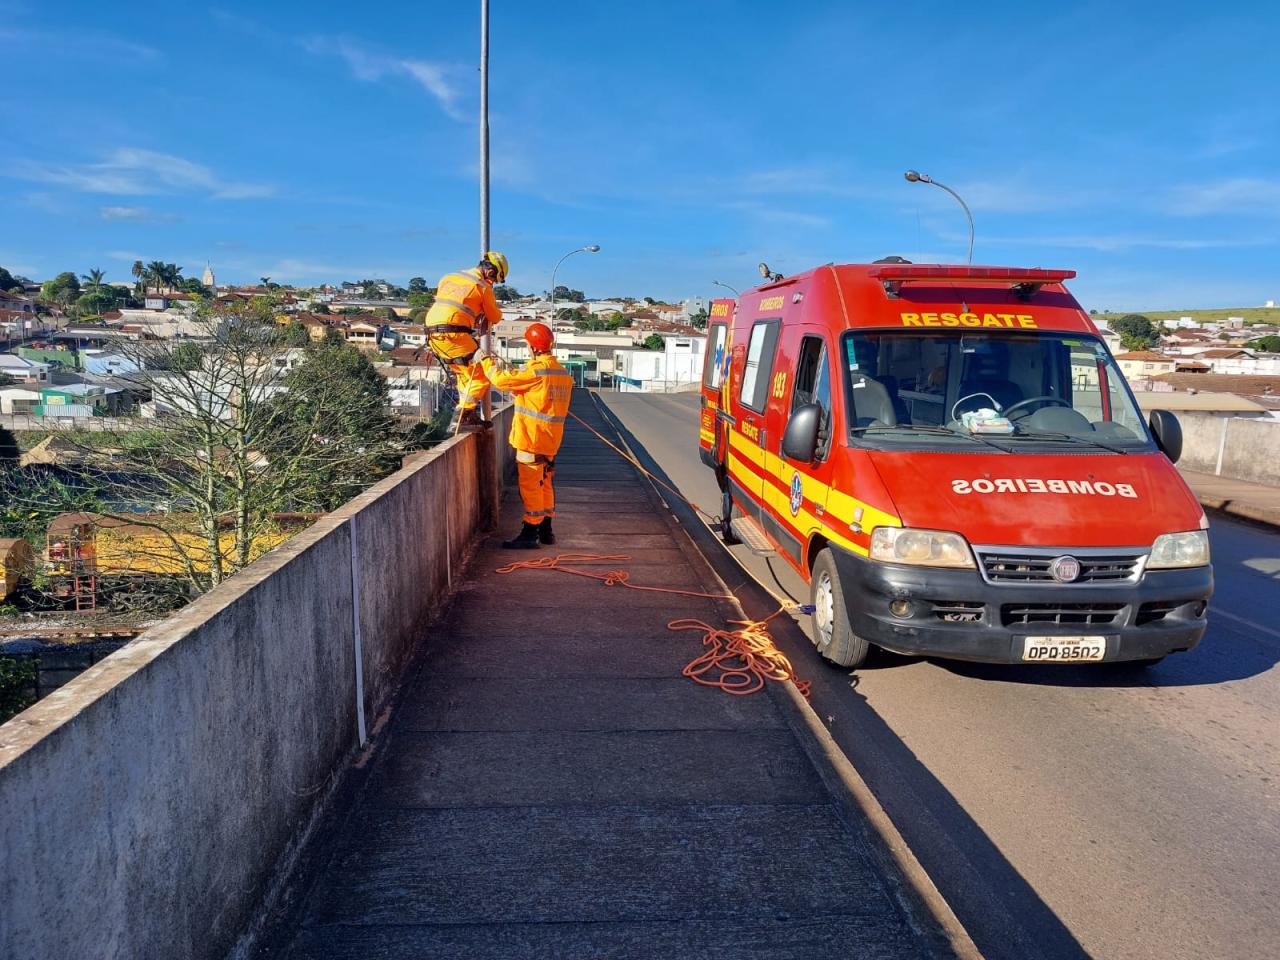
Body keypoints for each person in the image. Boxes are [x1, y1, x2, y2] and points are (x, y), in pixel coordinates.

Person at [481, 322, 573, 549]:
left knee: (531, 485)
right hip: (551, 440)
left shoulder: (535, 371)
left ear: (532, 347)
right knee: (546, 482)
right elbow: (535, 394)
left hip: (531, 439)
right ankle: (546, 530)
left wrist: (484, 360)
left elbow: (501, 381)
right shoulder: (562, 374)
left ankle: (530, 531)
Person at [423, 251, 508, 428]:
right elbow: (494, 315)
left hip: (433, 333)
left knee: (466, 374)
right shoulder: (483, 286)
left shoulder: (449, 277)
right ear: (491, 273)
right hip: (453, 333)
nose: (493, 283)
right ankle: (461, 418)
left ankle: (468, 416)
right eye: (495, 280)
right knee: (481, 375)